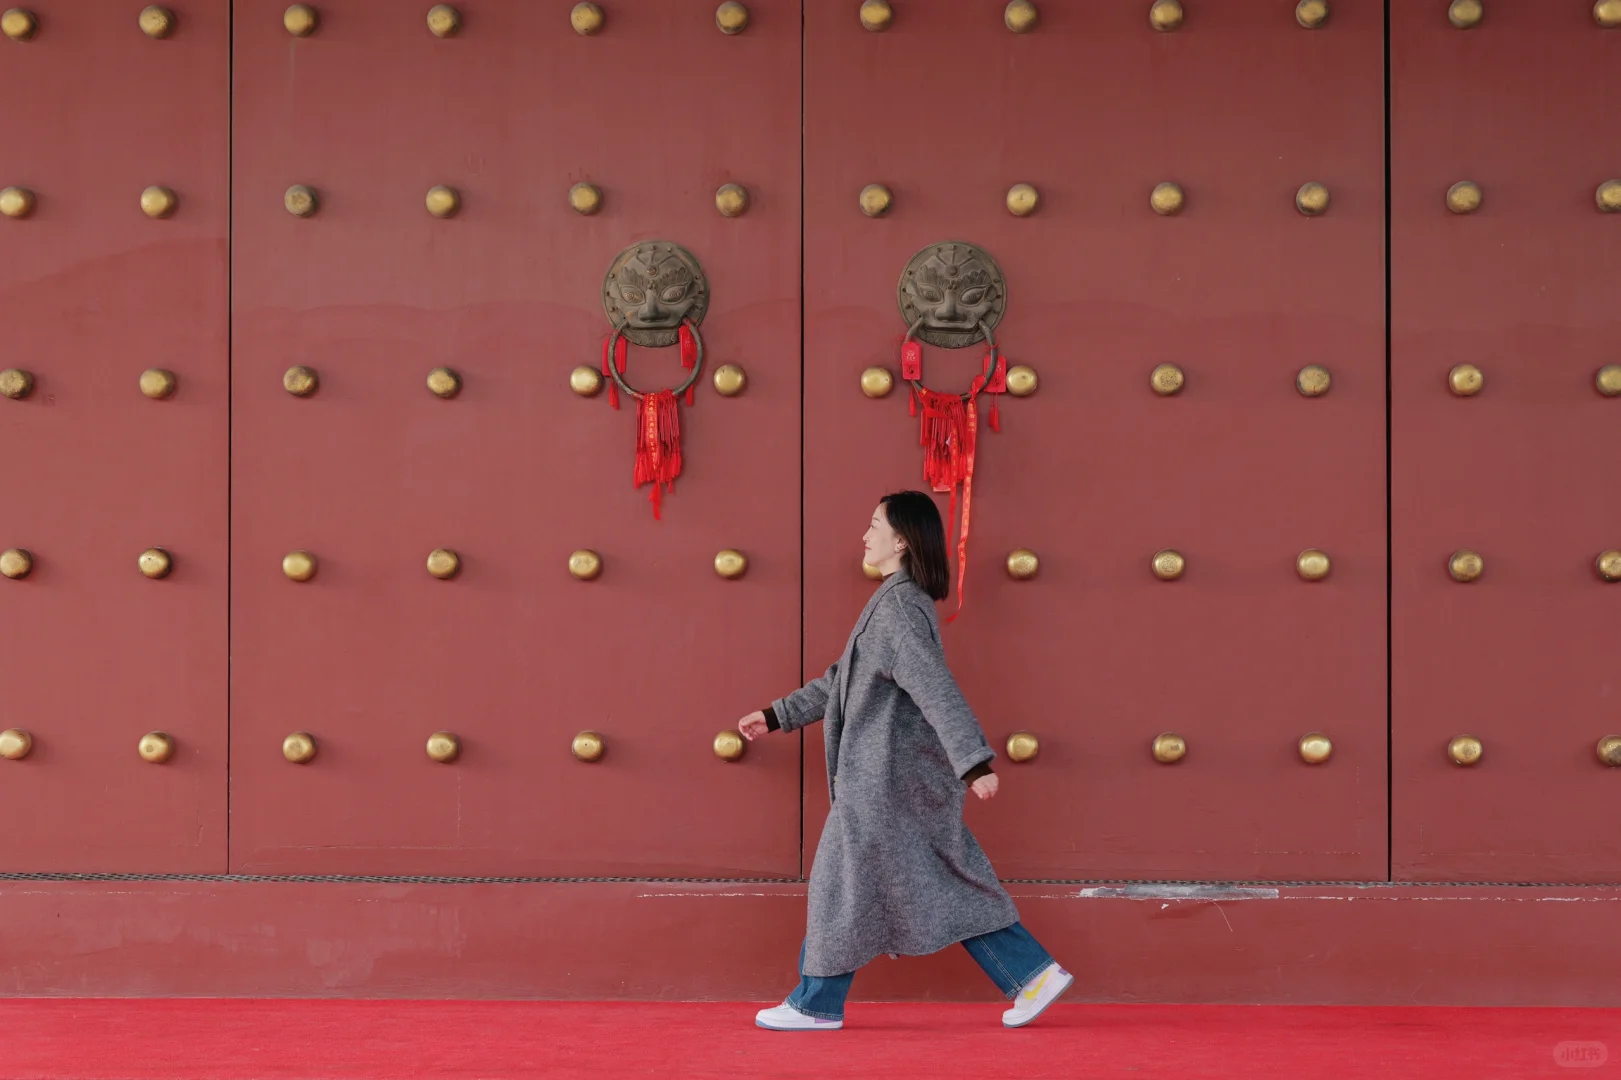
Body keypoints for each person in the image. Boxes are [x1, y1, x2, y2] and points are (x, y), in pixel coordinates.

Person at [738, 490, 1072, 1031]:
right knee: (926, 884)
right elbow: (840, 683)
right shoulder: (894, 605)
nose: (864, 536)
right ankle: (1032, 974)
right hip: (889, 782)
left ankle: (816, 1004)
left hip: (886, 783)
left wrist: (973, 763)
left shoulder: (898, 610)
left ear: (900, 540)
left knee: (840, 886)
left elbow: (936, 688)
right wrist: (777, 715)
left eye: (874, 525)